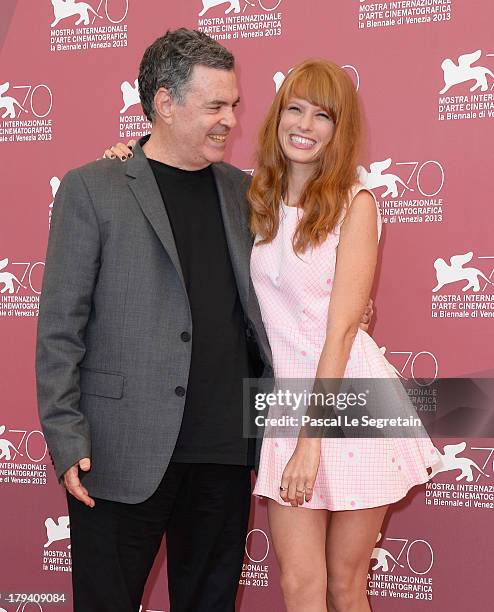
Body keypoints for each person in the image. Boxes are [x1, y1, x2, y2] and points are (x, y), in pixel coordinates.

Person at [36, 29, 273, 612]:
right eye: (214, 105)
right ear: (165, 103)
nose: (230, 121)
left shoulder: (246, 193)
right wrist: (67, 439)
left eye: (234, 106)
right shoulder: (93, 188)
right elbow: (60, 328)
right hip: (119, 451)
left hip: (224, 449)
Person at [247, 59, 441, 612]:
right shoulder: (256, 200)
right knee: (299, 587)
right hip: (287, 403)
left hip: (350, 400)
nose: (305, 125)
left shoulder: (356, 205)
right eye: (295, 108)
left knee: (343, 586)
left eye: (323, 115)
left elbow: (338, 336)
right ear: (278, 116)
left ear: (340, 129)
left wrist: (311, 445)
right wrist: (129, 152)